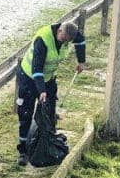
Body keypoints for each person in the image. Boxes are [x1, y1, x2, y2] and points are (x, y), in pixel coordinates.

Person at [16, 21, 87, 166]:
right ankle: (23, 151)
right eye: (64, 39)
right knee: (26, 113)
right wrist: (41, 91)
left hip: (48, 78)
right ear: (59, 31)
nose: (65, 43)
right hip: (29, 77)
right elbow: (36, 68)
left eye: (68, 41)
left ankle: (47, 141)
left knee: (49, 111)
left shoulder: (71, 32)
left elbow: (81, 41)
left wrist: (81, 61)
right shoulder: (43, 40)